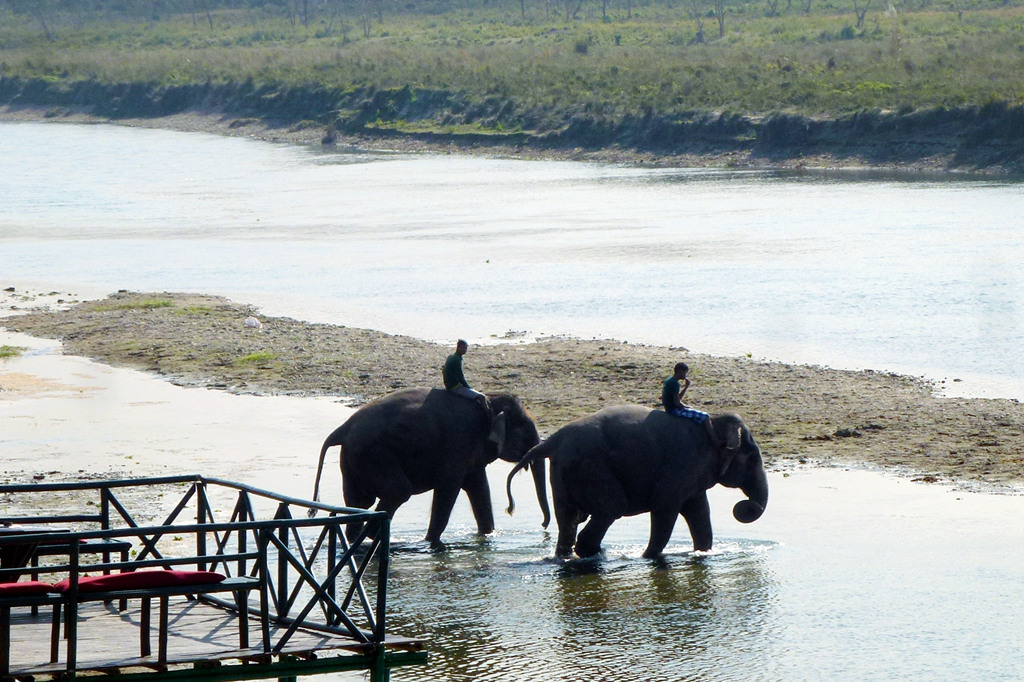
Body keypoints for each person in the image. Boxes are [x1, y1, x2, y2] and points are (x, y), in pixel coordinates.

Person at [662, 362, 719, 447]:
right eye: (685, 373)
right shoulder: (675, 384)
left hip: (669, 407)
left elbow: (677, 398)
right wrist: (685, 406)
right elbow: (677, 403)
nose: (685, 375)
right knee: (706, 416)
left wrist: (685, 387)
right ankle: (715, 441)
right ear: (680, 371)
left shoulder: (669, 380)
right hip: (673, 410)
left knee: (692, 409)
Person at [443, 339, 491, 415]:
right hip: (455, 387)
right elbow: (460, 377)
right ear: (458, 348)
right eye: (463, 348)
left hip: (449, 385)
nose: (465, 350)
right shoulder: (457, 360)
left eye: (466, 348)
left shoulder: (451, 357)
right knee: (482, 397)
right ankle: (489, 416)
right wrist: (469, 387)